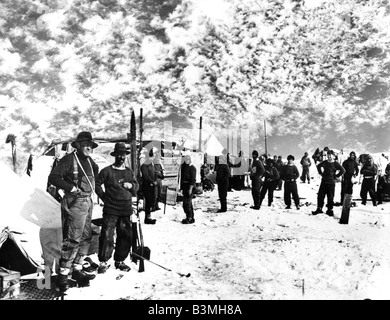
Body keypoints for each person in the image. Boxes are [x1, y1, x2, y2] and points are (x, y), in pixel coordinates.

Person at [48, 131, 100, 292]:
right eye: (84, 145)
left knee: (86, 236)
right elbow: (54, 177)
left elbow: (95, 175)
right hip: (75, 202)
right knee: (73, 239)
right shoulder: (69, 160)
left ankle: (77, 269)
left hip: (87, 201)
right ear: (77, 146)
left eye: (90, 145)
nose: (87, 148)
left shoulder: (90, 161)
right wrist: (70, 187)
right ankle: (63, 276)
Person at [94, 142, 139, 274]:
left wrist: (132, 186)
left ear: (125, 156)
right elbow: (96, 184)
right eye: (119, 155)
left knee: (125, 235)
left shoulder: (129, 172)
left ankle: (119, 260)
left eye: (123, 155)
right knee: (107, 234)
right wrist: (104, 198)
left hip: (125, 208)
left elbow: (136, 186)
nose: (121, 157)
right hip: (111, 209)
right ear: (115, 155)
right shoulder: (107, 171)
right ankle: (103, 261)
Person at [312, 150, 346, 216]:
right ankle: (319, 208)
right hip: (324, 182)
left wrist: (336, 176)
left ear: (333, 156)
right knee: (320, 196)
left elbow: (343, 170)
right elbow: (319, 166)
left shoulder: (336, 163)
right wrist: (320, 173)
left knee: (330, 197)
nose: (329, 156)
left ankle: (329, 210)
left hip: (331, 183)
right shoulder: (325, 162)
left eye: (331, 155)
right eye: (328, 155)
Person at [140, 149, 158, 224]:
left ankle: (149, 216)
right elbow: (145, 175)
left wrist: (156, 179)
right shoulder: (144, 166)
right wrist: (152, 181)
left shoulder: (152, 165)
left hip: (152, 186)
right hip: (147, 186)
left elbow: (154, 173)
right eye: (151, 157)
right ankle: (147, 218)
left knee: (151, 201)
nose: (152, 159)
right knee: (148, 202)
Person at [180, 153, 197, 224]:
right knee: (187, 203)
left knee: (187, 203)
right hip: (185, 186)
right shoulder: (185, 167)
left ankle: (190, 217)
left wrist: (190, 188)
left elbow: (193, 180)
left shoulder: (192, 168)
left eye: (188, 159)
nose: (186, 160)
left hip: (190, 187)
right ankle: (190, 216)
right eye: (185, 159)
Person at [152, 147, 164, 212]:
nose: (158, 156)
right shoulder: (153, 162)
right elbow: (153, 172)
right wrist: (158, 173)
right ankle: (153, 206)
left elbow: (161, 171)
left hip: (160, 180)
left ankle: (156, 205)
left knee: (159, 193)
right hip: (155, 180)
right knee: (155, 193)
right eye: (157, 154)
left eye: (159, 155)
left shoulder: (160, 163)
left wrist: (162, 175)